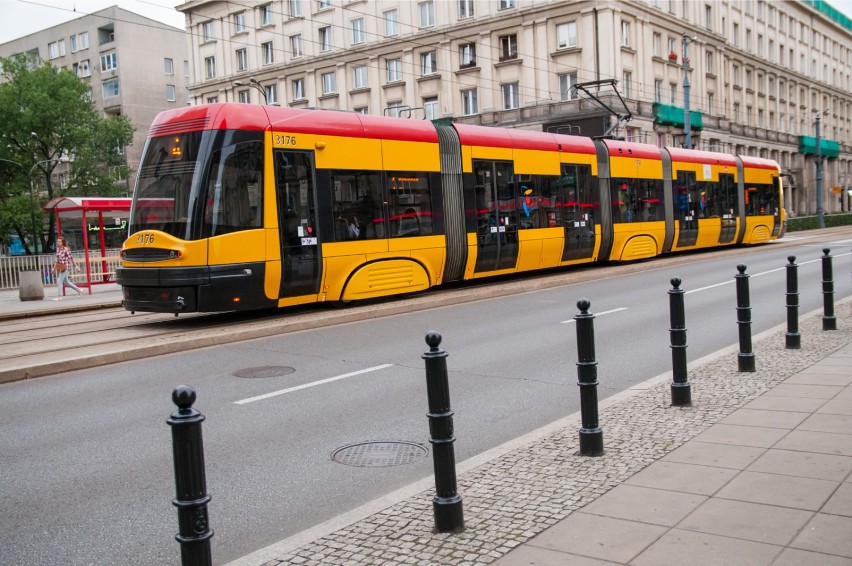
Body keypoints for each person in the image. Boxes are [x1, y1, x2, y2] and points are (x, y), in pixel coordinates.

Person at [53, 236, 82, 300]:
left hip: (66, 267)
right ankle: (79, 290)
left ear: (62, 242)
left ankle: (59, 296)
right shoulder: (58, 249)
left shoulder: (66, 249)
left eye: (59, 241)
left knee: (59, 281)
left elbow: (71, 258)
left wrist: (76, 266)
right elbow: (57, 260)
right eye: (57, 241)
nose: (58, 242)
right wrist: (54, 268)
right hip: (61, 267)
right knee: (66, 282)